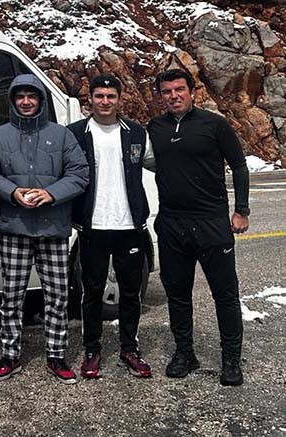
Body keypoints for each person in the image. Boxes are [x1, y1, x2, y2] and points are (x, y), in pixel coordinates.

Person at [0, 74, 88, 385]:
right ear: (12, 100)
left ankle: (56, 355)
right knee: (11, 296)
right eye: (20, 96)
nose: (26, 101)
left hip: (53, 227)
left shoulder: (62, 136)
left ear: (41, 100)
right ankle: (9, 355)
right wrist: (12, 192)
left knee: (57, 296)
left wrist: (51, 194)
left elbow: (79, 173)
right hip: (14, 227)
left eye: (32, 96)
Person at [146, 69, 250, 386]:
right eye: (167, 91)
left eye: (179, 89)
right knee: (178, 295)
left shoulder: (214, 124)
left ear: (192, 91)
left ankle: (231, 359)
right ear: (161, 96)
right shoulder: (155, 128)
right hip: (172, 224)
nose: (173, 95)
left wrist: (241, 210)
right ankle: (184, 353)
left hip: (211, 222)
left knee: (225, 295)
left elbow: (239, 165)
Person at [67, 75, 153, 380]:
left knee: (131, 293)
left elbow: (160, 163)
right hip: (92, 226)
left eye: (111, 96)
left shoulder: (136, 133)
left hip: (130, 225)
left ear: (119, 99)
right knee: (91, 292)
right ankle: (92, 350)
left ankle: (130, 349)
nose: (105, 101)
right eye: (99, 96)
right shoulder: (75, 134)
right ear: (90, 99)